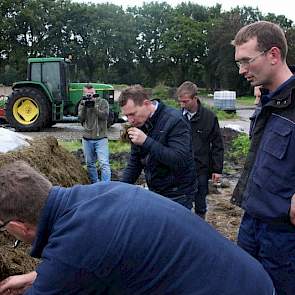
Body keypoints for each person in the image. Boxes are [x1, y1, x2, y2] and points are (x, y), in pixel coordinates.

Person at [0, 161, 275, 295]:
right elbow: (89, 260)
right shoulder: (97, 193)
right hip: (249, 279)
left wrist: (45, 280)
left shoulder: (73, 249)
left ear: (17, 226)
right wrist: (37, 276)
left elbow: (76, 262)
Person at [231, 21, 295, 295]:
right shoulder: (267, 102)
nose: (242, 70)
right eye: (238, 63)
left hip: (284, 235)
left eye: (246, 61)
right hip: (251, 221)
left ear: (273, 55)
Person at [118, 84, 196, 209]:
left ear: (147, 104)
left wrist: (146, 141)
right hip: (155, 191)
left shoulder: (175, 120)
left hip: (177, 194)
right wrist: (119, 190)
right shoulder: (140, 124)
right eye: (127, 116)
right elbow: (135, 163)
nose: (130, 120)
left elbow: (179, 159)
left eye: (132, 114)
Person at [177, 81, 224, 219]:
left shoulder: (209, 117)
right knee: (182, 203)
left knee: (200, 203)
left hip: (201, 168)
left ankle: (200, 226)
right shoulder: (177, 117)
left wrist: (217, 169)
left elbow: (217, 144)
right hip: (181, 168)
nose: (182, 105)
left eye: (185, 101)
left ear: (195, 98)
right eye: (180, 102)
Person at [78, 84, 111, 182]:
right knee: (90, 163)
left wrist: (94, 107)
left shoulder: (103, 102)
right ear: (84, 94)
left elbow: (105, 116)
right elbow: (80, 118)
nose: (90, 95)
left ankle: (105, 185)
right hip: (87, 138)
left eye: (91, 93)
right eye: (87, 94)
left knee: (104, 163)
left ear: (95, 92)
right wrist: (85, 106)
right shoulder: (82, 103)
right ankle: (95, 183)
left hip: (101, 138)